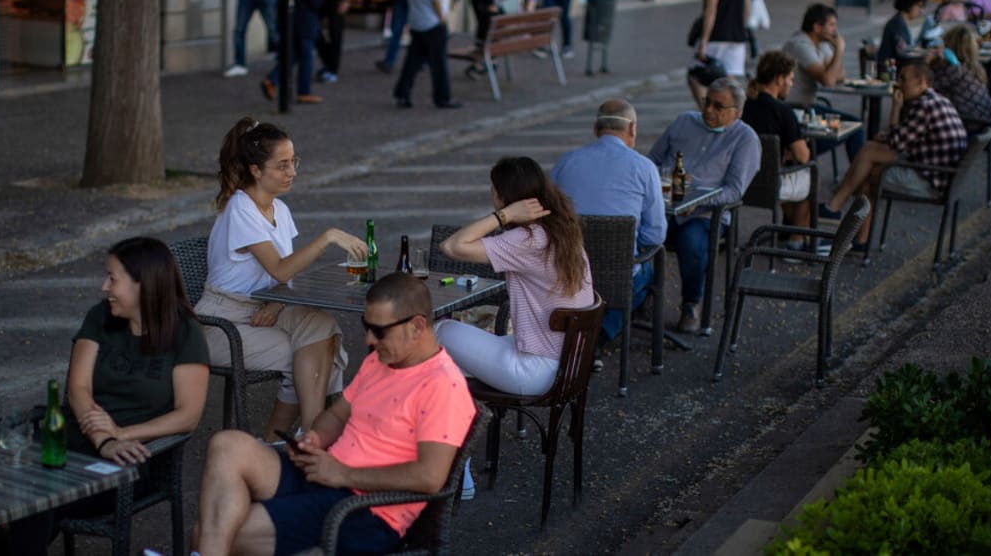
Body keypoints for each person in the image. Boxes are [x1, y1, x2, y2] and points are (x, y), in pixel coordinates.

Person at [192, 273, 477, 556]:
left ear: (416, 326)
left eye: (378, 330)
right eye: (367, 326)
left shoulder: (442, 385)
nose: (368, 338)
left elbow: (429, 477)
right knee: (227, 445)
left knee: (222, 531)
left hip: (367, 511)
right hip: (327, 474)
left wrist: (345, 474)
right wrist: (316, 438)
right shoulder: (380, 361)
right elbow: (338, 415)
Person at [0, 237, 210, 556]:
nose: (104, 286)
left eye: (113, 278)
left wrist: (122, 434)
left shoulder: (185, 334)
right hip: (70, 441)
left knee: (37, 501)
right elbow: (78, 388)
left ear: (144, 285)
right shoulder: (100, 317)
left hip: (131, 460)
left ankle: (7, 539)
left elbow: (187, 415)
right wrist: (103, 438)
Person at [197, 117, 367, 442]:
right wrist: (328, 236)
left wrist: (277, 301)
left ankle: (303, 435)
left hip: (257, 310)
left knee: (322, 327)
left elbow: (282, 273)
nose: (292, 173)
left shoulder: (279, 209)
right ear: (256, 170)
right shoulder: (240, 210)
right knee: (308, 352)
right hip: (221, 323)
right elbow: (281, 269)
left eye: (294, 162)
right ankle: (294, 440)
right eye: (282, 165)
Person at [437, 156, 595, 396]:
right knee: (445, 362)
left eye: (493, 190)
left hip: (536, 370)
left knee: (438, 331)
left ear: (504, 196)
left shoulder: (528, 239)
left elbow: (451, 246)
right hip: (567, 364)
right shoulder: (562, 231)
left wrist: (504, 215)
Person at [551, 99, 667, 350]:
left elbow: (549, 216)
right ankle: (599, 334)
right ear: (633, 129)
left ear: (595, 128)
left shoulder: (566, 162)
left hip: (568, 269)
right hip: (618, 273)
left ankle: (587, 330)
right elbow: (655, 236)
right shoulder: (644, 168)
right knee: (647, 269)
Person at [648, 77, 761, 333]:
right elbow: (651, 161)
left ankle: (690, 303)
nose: (708, 110)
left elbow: (734, 191)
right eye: (706, 102)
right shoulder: (684, 121)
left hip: (705, 215)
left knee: (692, 243)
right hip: (664, 206)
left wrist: (699, 201)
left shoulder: (745, 139)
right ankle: (643, 293)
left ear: (736, 112)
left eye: (718, 106)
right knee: (632, 231)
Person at [819, 61, 968, 250]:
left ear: (921, 81)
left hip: (930, 179)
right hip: (940, 174)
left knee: (869, 171)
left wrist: (896, 108)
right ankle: (854, 233)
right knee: (871, 154)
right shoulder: (937, 100)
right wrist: (889, 136)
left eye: (904, 79)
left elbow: (897, 144)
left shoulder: (924, 105)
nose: (898, 83)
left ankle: (837, 210)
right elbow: (907, 138)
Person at [741, 52, 820, 255]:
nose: (791, 84)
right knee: (810, 175)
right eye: (791, 79)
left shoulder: (746, 106)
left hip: (743, 182)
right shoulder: (783, 111)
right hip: (772, 183)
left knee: (790, 174)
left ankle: (788, 229)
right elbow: (803, 156)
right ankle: (797, 242)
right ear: (779, 78)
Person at [781, 3, 864, 160]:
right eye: (831, 25)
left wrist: (832, 67)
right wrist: (839, 50)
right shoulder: (800, 45)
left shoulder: (821, 44)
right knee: (854, 127)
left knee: (855, 125)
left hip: (808, 107)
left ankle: (857, 176)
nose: (835, 30)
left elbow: (840, 75)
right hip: (794, 108)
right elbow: (828, 80)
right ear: (817, 27)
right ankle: (800, 154)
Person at [394, 0, 463, 109]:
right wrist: (442, 18)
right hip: (432, 22)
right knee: (438, 63)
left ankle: (402, 93)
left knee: (413, 60)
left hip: (417, 20)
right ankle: (442, 97)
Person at [260, 0, 324, 105]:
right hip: (304, 22)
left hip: (296, 21)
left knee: (293, 55)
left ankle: (272, 79)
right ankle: (303, 91)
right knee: (306, 57)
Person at [928, 25, 991, 127]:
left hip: (967, 125)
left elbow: (922, 88)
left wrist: (926, 64)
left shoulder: (952, 70)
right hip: (984, 123)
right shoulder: (976, 69)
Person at [877, 0, 927, 66]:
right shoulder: (897, 24)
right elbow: (903, 51)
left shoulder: (900, 21)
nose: (920, 10)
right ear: (909, 5)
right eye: (919, 6)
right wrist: (925, 53)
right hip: (889, 69)